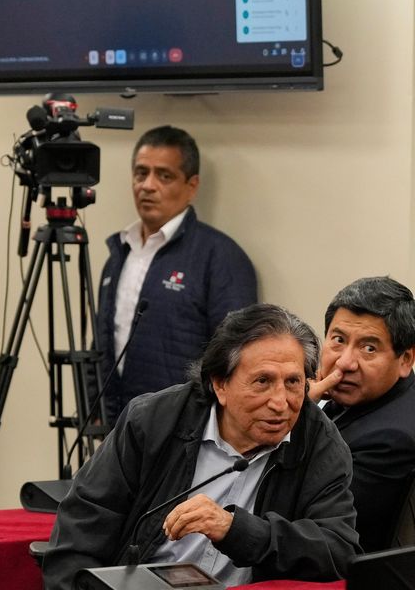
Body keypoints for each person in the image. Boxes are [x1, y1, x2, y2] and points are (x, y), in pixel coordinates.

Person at [45, 303, 361, 589]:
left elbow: (337, 551)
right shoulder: (153, 421)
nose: (281, 403)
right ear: (219, 384)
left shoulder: (320, 442)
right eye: (262, 382)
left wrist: (237, 530)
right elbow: (79, 534)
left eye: (293, 382)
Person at [94, 125, 257, 422]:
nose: (148, 185)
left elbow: (237, 359)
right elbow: (99, 345)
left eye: (164, 175)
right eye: (141, 173)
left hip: (185, 431)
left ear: (191, 185)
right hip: (118, 428)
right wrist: (95, 409)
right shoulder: (118, 254)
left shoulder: (220, 257)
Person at [309, 276, 415, 552]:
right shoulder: (353, 398)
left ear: (405, 360)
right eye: (338, 340)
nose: (345, 362)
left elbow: (310, 518)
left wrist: (296, 415)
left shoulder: (392, 438)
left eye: (369, 348)